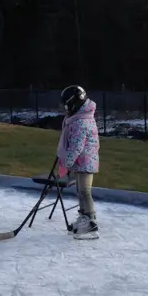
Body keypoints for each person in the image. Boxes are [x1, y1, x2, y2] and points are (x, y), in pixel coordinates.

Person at [57, 85, 100, 240]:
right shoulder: (79, 119)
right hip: (82, 162)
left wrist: (67, 162)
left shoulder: (81, 122)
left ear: (74, 104)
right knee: (80, 191)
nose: (65, 109)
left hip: (86, 162)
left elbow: (76, 146)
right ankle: (84, 218)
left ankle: (91, 223)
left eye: (67, 106)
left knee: (85, 192)